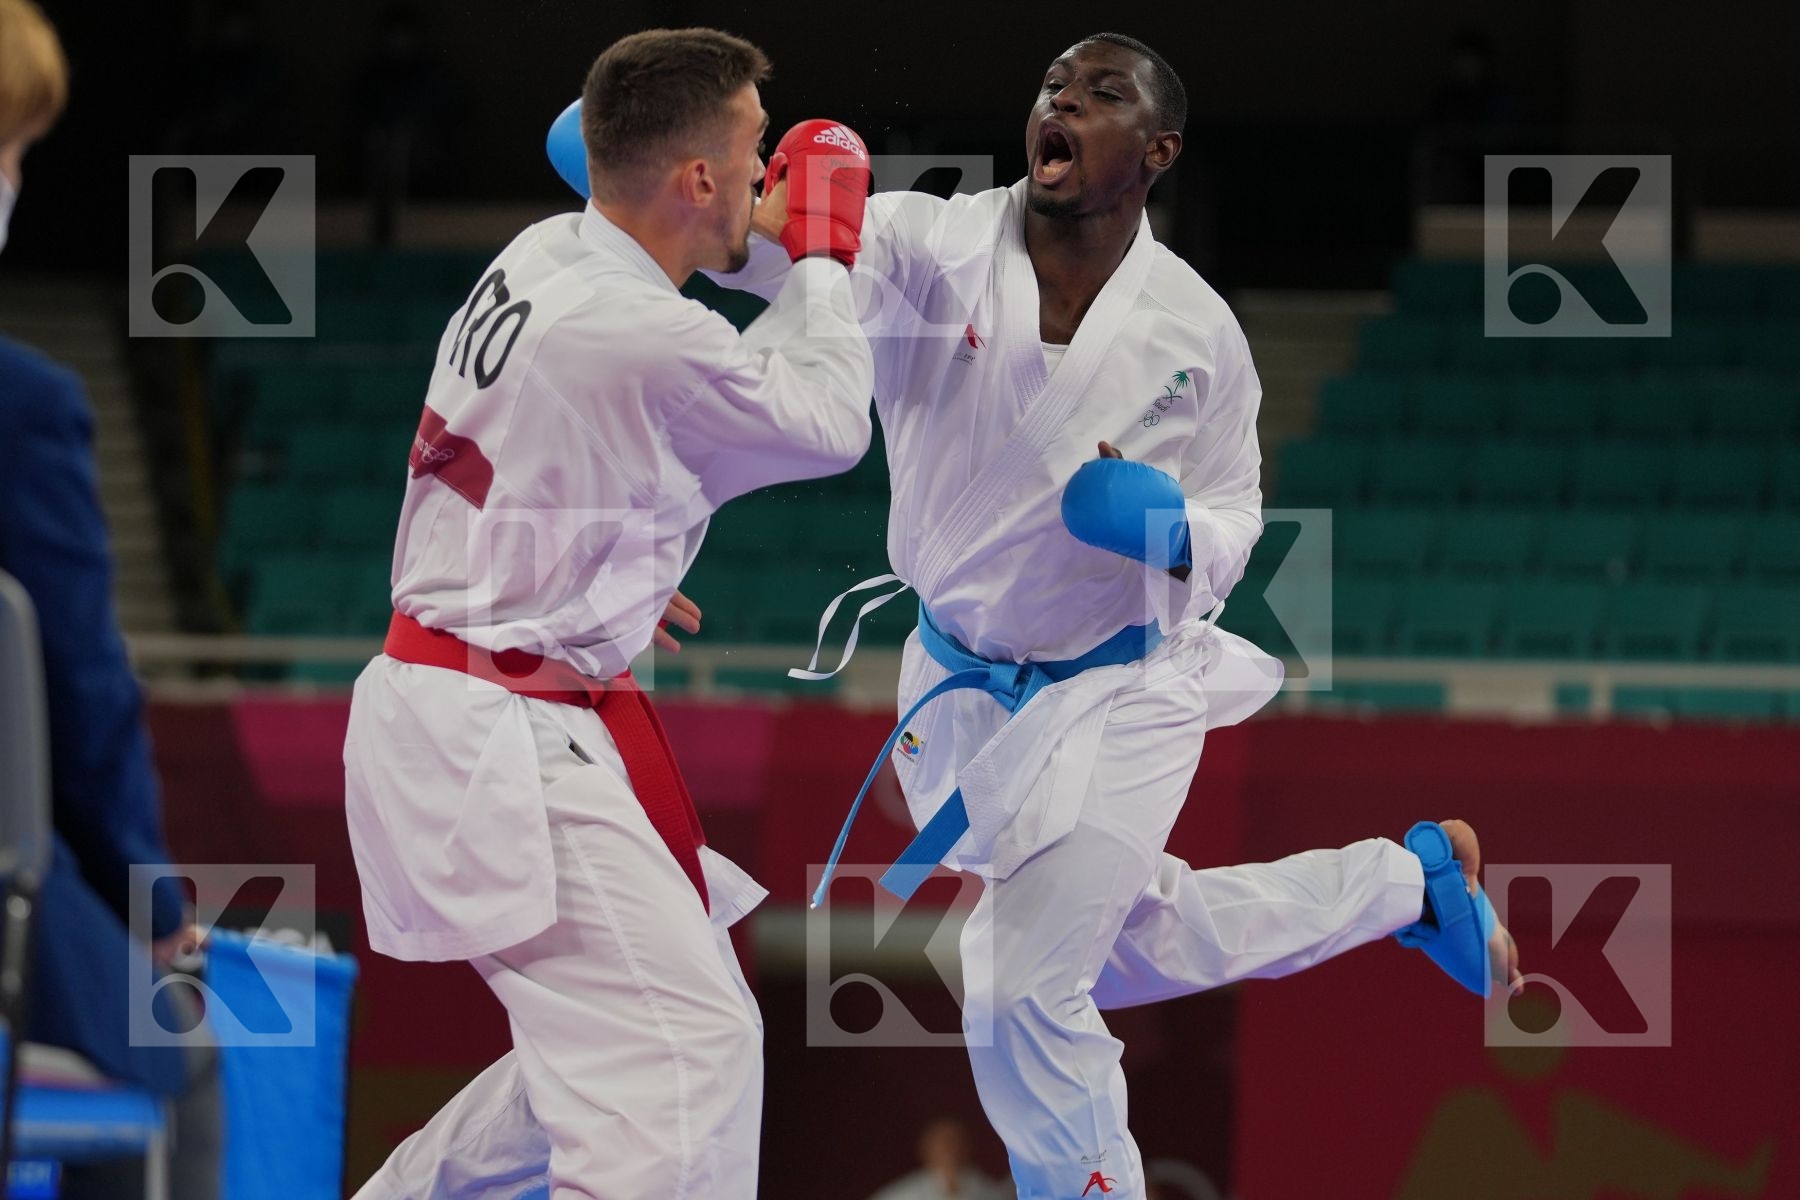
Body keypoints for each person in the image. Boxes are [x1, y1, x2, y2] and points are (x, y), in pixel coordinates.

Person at [555, 32, 1523, 1199]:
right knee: (1115, 946)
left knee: (1018, 978)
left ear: (1157, 150)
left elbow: (1236, 519)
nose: (1062, 100)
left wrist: (1168, 529)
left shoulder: (1197, 332)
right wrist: (634, 160)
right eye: (1054, 85)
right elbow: (758, 256)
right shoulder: (928, 241)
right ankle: (1410, 884)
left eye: (1102, 93)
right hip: (961, 690)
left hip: (1120, 687)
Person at [343, 28, 875, 1199]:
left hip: (482, 689)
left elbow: (523, 453)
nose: (766, 183)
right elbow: (831, 422)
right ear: (696, 180)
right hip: (492, 730)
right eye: (751, 158)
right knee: (687, 1056)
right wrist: (824, 252)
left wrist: (608, 557)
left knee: (603, 1058)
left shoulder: (547, 253)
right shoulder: (636, 327)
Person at [0, 2, 220, 1196]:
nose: (18, 179)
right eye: (14, 149)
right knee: (177, 1069)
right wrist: (149, 899)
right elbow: (80, 690)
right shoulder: (22, 404)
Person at [869, 1118, 1014, 1200]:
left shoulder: (987, 1189)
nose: (949, 1151)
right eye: (942, 1144)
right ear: (925, 1150)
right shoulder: (904, 1194)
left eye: (954, 1143)